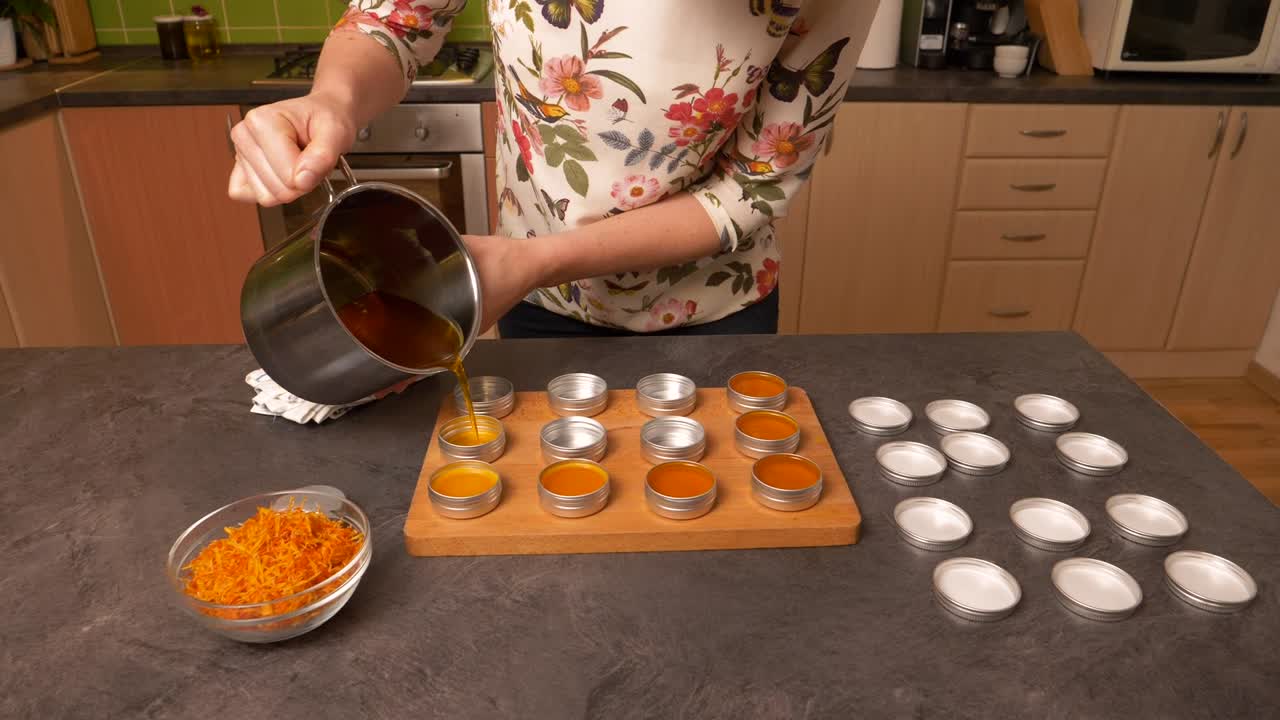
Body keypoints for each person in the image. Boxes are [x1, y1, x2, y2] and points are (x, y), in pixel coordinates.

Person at [228, 1, 876, 338]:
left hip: (712, 309)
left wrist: (537, 261)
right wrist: (331, 100)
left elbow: (751, 189)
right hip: (533, 297)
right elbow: (398, 16)